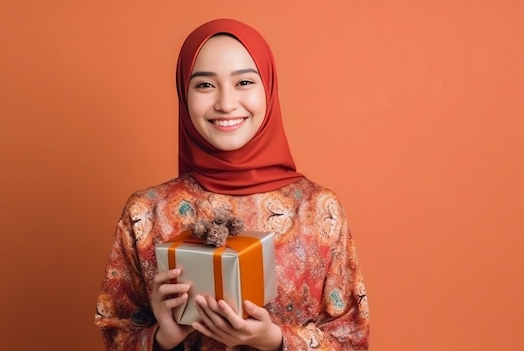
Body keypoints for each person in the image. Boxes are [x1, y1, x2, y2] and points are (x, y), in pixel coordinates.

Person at [94, 18, 369, 350]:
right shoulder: (146, 213)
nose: (225, 103)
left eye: (244, 82)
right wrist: (161, 338)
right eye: (205, 85)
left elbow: (352, 339)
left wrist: (277, 340)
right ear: (184, 93)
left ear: (268, 87)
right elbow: (115, 333)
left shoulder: (317, 209)